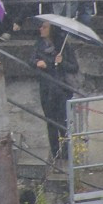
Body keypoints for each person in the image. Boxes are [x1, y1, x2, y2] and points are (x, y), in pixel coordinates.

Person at [31, 20, 79, 160]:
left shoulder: (63, 46)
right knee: (51, 123)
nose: (41, 29)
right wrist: (37, 63)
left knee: (62, 123)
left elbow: (74, 67)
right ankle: (55, 154)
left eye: (44, 27)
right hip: (47, 89)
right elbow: (31, 59)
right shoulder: (39, 44)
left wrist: (61, 62)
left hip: (61, 89)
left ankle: (65, 155)